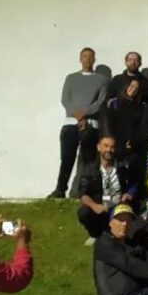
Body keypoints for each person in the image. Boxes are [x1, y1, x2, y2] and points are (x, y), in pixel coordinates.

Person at [49, 47, 108, 198]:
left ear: (94, 59)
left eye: (90, 57)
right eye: (85, 56)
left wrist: (85, 114)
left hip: (91, 125)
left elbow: (100, 102)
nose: (87, 59)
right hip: (70, 123)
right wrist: (77, 115)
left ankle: (86, 193)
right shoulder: (71, 78)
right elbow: (65, 99)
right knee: (67, 158)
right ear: (80, 59)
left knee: (88, 161)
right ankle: (60, 189)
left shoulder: (102, 80)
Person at [78, 135, 136, 238]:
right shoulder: (89, 169)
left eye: (112, 147)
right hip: (101, 206)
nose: (109, 149)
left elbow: (134, 184)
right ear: (99, 147)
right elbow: (83, 194)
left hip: (119, 206)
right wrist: (95, 206)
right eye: (106, 146)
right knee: (84, 212)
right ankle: (95, 235)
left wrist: (129, 193)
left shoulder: (123, 166)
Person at [103, 78, 147, 187]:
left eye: (136, 88)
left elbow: (139, 127)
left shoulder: (140, 107)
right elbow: (108, 123)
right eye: (131, 86)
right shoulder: (114, 103)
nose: (133, 89)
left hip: (131, 145)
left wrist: (131, 142)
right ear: (126, 86)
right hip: (114, 143)